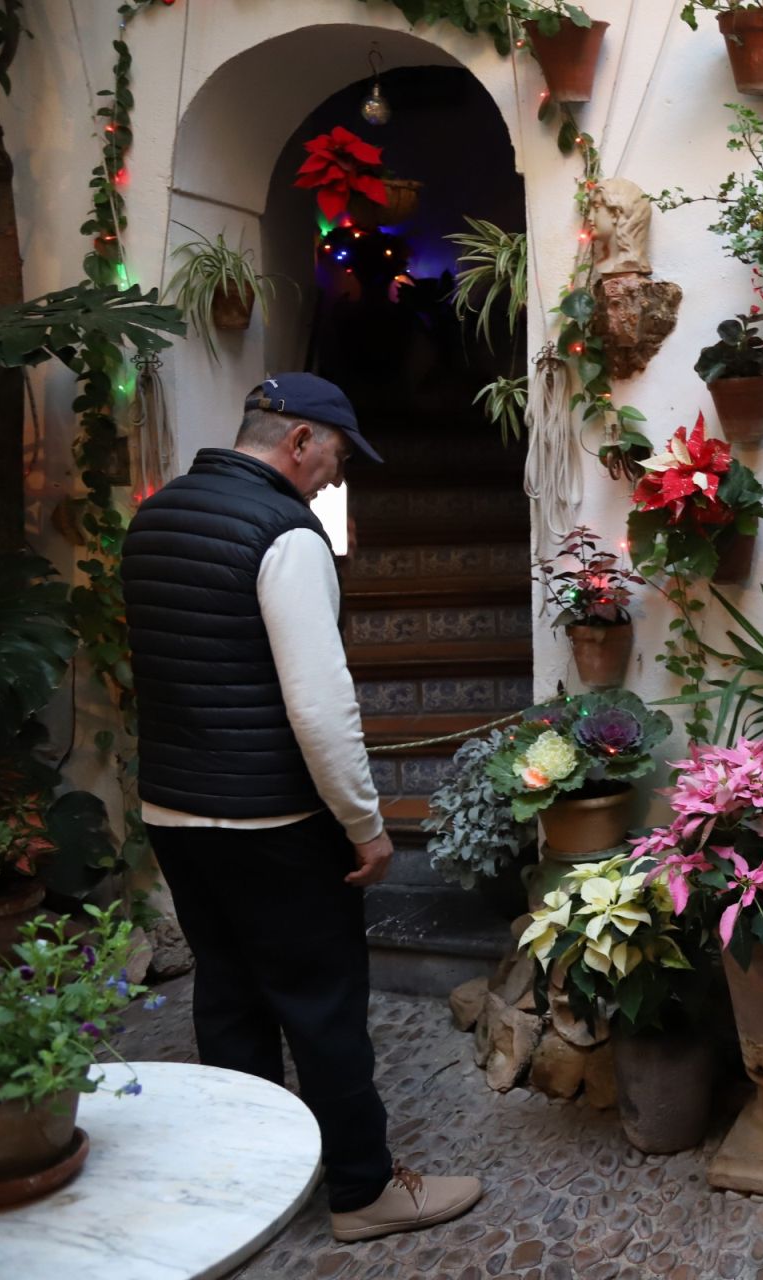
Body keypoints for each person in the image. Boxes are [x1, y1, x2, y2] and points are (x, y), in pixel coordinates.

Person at [122, 373, 482, 1243]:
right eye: (337, 457)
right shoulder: (286, 534)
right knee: (320, 1008)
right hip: (273, 825)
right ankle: (362, 1191)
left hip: (174, 810)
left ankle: (249, 1184)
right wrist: (366, 825)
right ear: (299, 440)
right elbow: (320, 708)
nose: (334, 476)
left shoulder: (157, 515)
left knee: (230, 997)